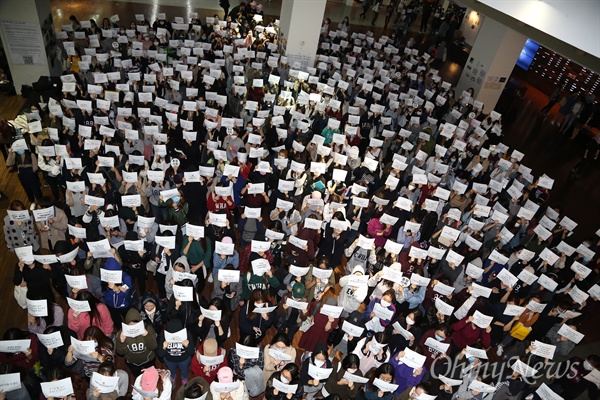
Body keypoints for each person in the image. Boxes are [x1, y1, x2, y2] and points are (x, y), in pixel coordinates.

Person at [115, 308, 158, 376]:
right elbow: (121, 352)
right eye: (130, 325)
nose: (133, 328)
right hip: (132, 361)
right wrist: (121, 342)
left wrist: (146, 335)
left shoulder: (148, 329)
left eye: (136, 325)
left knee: (151, 374)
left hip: (148, 359)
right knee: (137, 375)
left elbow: (153, 346)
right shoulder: (121, 333)